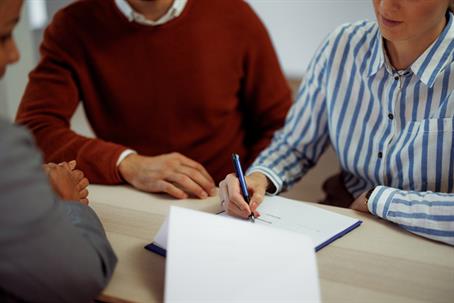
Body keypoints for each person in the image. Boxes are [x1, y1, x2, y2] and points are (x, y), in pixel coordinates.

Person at [220, 0, 454, 246]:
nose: (386, 4)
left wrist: (379, 200)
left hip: (427, 242)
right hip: (344, 219)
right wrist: (259, 177)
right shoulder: (342, 46)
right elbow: (295, 146)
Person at [15, 0, 292, 200]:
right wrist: (128, 164)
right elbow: (35, 129)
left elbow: (280, 126)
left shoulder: (234, 15)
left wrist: (253, 183)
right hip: (131, 195)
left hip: (222, 198)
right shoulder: (73, 26)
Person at [0, 0, 117, 301]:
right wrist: (70, 205)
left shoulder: (233, 15)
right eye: (2, 36)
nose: (14, 55)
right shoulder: (75, 22)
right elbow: (82, 277)